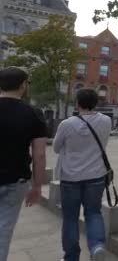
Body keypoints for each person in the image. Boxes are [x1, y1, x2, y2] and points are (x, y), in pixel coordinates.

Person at [53, 88, 112, 260]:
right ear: (96, 103)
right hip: (96, 176)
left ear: (77, 103)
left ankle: (71, 256)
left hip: (70, 178)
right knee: (93, 213)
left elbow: (56, 148)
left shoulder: (67, 124)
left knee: (70, 217)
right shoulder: (106, 121)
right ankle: (97, 247)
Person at [0, 67, 47, 261]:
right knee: (3, 231)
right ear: (23, 86)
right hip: (15, 180)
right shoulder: (33, 113)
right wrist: (37, 185)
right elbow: (40, 154)